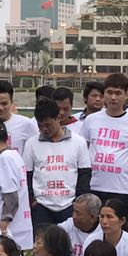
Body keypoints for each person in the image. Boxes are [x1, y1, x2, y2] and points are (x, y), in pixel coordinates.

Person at [77, 72, 128, 220]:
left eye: (118, 93)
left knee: (114, 225)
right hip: (93, 185)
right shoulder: (91, 120)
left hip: (120, 188)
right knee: (91, 224)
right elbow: (83, 149)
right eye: (109, 93)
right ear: (104, 95)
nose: (113, 97)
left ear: (126, 95)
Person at [24, 98, 92, 229]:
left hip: (69, 205)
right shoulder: (31, 144)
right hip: (41, 207)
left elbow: (84, 175)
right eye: (40, 126)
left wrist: (77, 202)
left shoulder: (78, 142)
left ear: (58, 118)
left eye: (48, 125)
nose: (44, 129)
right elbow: (27, 175)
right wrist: (32, 201)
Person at [0, 119, 33, 251]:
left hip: (4, 234)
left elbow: (11, 197)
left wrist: (2, 228)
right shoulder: (13, 155)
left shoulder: (5, 159)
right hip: (5, 233)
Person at [58, 192, 103, 256]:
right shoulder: (69, 224)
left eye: (78, 213)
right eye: (74, 211)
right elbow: (52, 233)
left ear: (92, 217)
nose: (74, 216)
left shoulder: (104, 231)